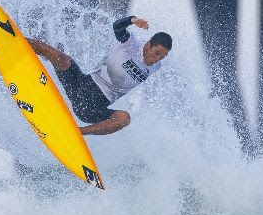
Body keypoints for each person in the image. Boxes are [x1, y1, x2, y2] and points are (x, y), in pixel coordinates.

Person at [29, 16, 171, 136]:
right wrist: (132, 20)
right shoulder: (131, 45)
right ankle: (13, 38)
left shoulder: (156, 67)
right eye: (157, 53)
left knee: (124, 118)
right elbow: (117, 27)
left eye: (163, 56)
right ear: (148, 45)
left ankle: (75, 132)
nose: (158, 59)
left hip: (93, 108)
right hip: (82, 83)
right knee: (60, 57)